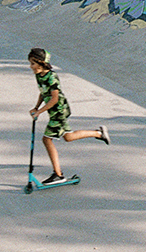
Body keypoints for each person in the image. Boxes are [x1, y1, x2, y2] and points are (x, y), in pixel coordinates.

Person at [26, 48, 110, 186]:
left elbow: (54, 98)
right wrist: (36, 107)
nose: (31, 66)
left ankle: (58, 175)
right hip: (54, 111)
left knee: (46, 139)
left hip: (59, 111)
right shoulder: (39, 75)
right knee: (68, 137)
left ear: (41, 63)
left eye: (33, 63)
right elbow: (43, 92)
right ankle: (99, 133)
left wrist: (39, 112)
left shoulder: (52, 77)